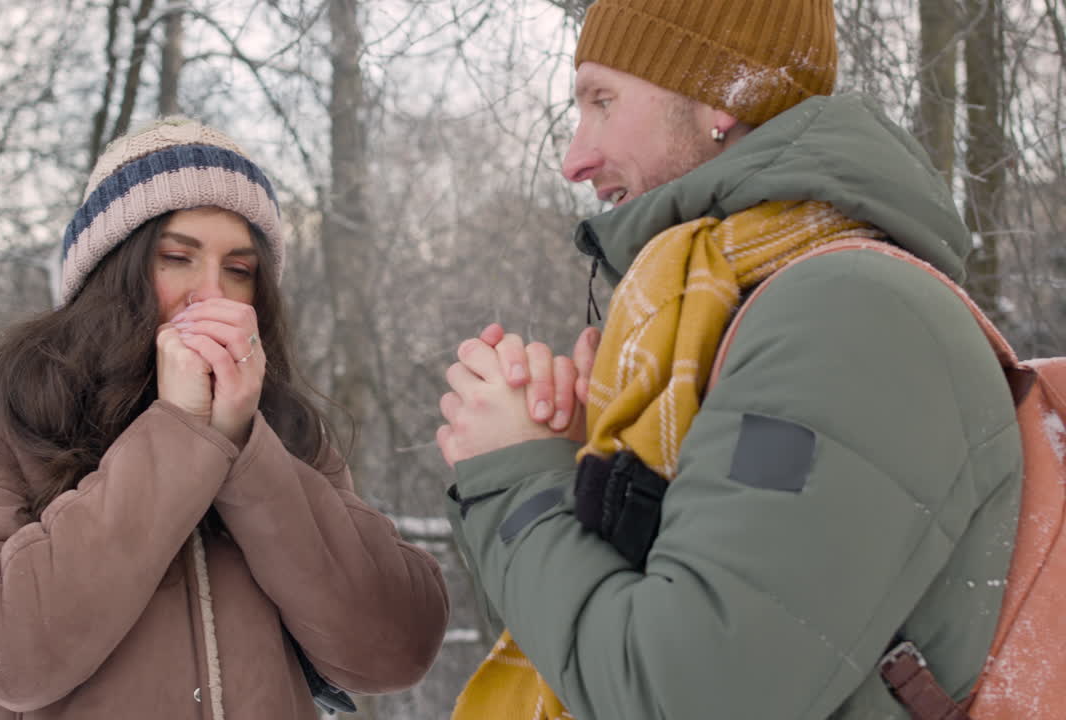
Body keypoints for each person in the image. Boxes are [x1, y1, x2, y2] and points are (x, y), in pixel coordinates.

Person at [436, 1, 1022, 718]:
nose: (573, 158)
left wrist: (514, 480)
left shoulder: (846, 315)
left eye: (602, 100)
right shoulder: (734, 313)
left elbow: (690, 694)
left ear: (723, 93)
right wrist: (573, 466)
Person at [0, 117, 449, 720]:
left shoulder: (283, 434)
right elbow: (4, 651)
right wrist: (179, 429)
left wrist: (241, 448)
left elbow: (395, 651)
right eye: (177, 258)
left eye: (238, 270)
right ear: (113, 272)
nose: (209, 294)